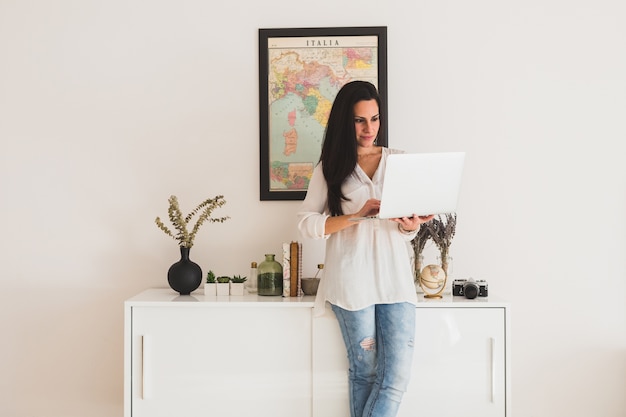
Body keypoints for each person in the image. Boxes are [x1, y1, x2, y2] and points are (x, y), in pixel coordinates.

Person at [297, 80, 434, 417]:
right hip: (351, 283)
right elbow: (305, 224)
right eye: (360, 120)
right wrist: (355, 217)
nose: (369, 128)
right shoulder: (329, 168)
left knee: (396, 377)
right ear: (346, 121)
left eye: (375, 119)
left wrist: (410, 226)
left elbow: (404, 233)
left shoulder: (400, 161)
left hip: (395, 283)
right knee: (365, 374)